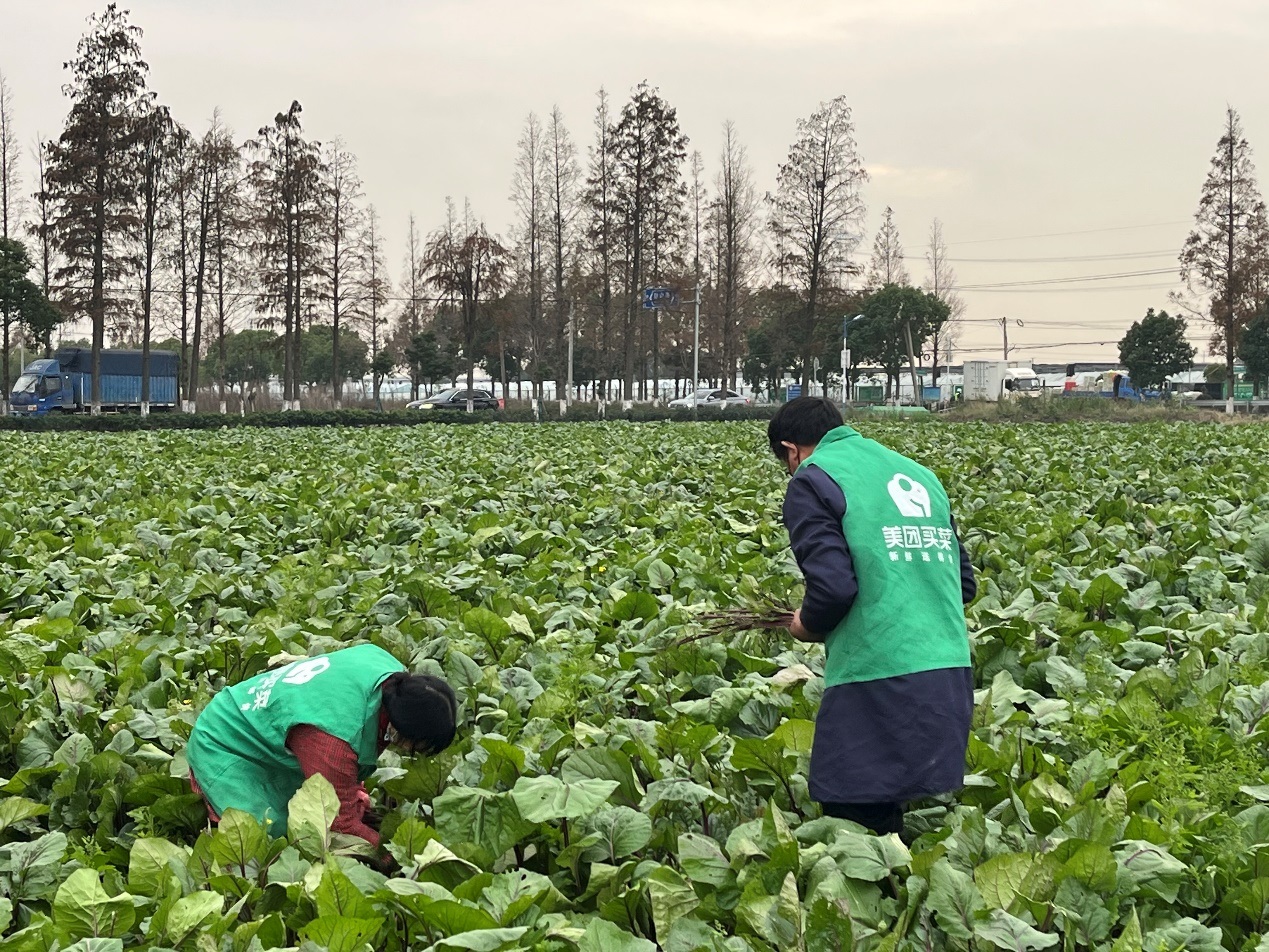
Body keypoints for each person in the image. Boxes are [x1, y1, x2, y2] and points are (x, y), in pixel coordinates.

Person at [768, 397, 976, 836]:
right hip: (948, 671)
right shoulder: (919, 475)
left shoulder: (814, 478)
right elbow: (963, 585)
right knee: (886, 819)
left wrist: (805, 624)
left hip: (878, 673)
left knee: (854, 823)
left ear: (791, 450)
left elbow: (834, 589)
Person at [186, 643, 457, 851]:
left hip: (265, 721)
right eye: (414, 745)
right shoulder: (335, 740)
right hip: (224, 738)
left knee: (335, 802)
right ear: (400, 727)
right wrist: (395, 855)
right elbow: (341, 826)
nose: (409, 752)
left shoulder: (388, 669)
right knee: (272, 836)